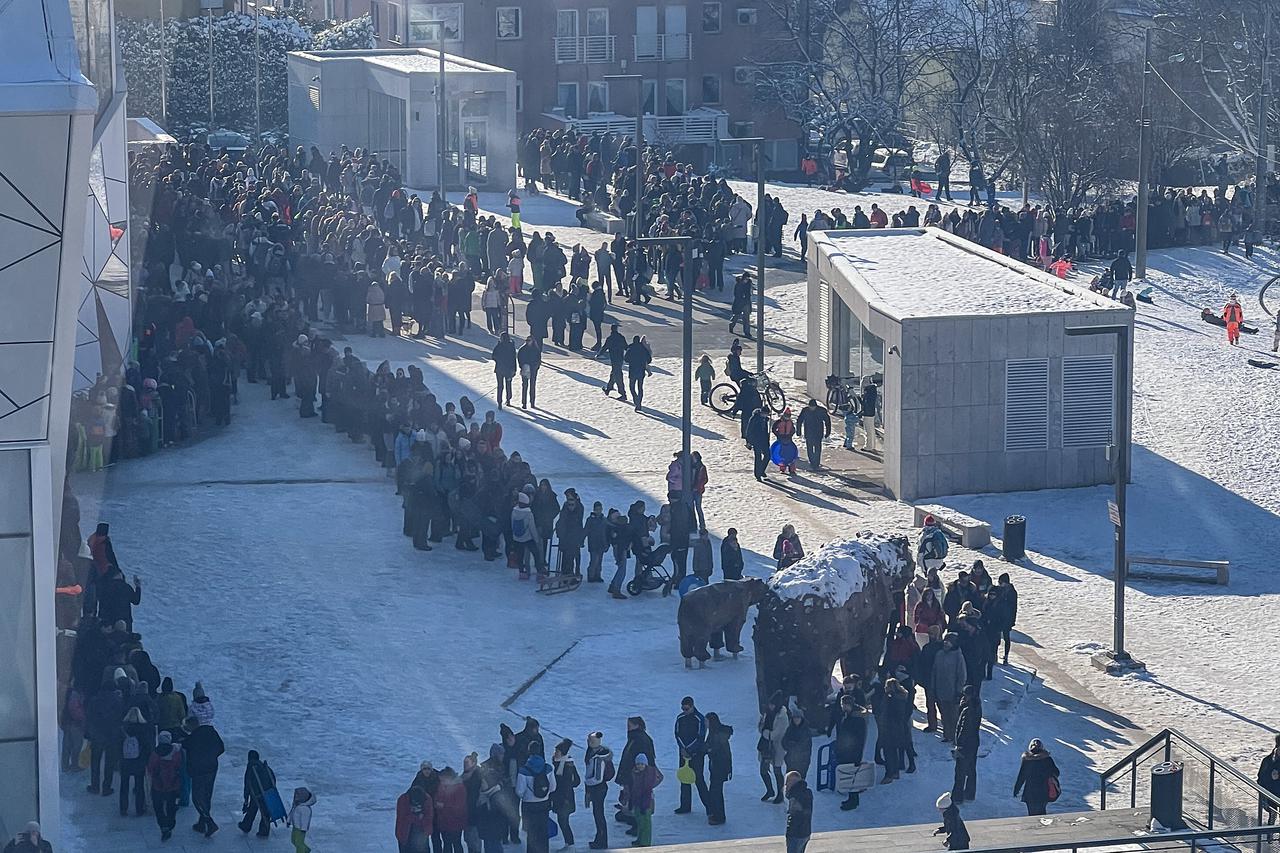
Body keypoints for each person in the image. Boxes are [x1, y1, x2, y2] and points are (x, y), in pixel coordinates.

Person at [185, 714, 226, 837]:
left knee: (197, 798)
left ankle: (209, 821)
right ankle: (202, 823)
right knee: (207, 794)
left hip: (199, 771)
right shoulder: (211, 731)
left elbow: (189, 755)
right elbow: (221, 748)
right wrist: (211, 757)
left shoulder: (192, 739)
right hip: (212, 768)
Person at [829, 694, 867, 810]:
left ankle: (853, 801)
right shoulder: (849, 716)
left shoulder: (856, 719)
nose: (843, 707)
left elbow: (856, 737)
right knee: (850, 776)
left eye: (844, 705)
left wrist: (848, 750)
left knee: (852, 776)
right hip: (847, 750)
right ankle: (851, 799)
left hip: (852, 752)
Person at [515, 747, 557, 853]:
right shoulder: (548, 768)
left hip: (529, 806)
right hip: (544, 804)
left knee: (532, 833)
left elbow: (519, 791)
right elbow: (553, 787)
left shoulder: (523, 770)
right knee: (543, 832)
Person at [673, 696, 709, 816]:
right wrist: (683, 748)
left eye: (686, 708)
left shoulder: (699, 719)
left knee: (699, 779)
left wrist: (689, 749)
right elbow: (677, 734)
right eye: (683, 708)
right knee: (684, 779)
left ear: (692, 706)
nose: (684, 711)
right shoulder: (680, 718)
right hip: (683, 754)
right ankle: (685, 805)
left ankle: (709, 805)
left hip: (696, 754)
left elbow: (700, 737)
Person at [147, 730, 184, 841]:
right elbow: (180, 766)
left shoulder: (155, 753)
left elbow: (150, 768)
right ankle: (171, 823)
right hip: (173, 785)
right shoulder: (176, 752)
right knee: (171, 806)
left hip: (158, 786)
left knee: (158, 808)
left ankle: (163, 826)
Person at [119, 705, 156, 816]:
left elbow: (117, 745)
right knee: (139, 785)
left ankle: (123, 808)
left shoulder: (123, 729)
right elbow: (147, 746)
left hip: (125, 761)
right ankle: (139, 808)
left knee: (124, 785)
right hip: (139, 761)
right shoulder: (143, 729)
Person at [933, 633, 968, 743]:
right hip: (941, 690)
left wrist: (958, 691)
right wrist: (933, 687)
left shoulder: (958, 656)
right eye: (945, 641)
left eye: (949, 641)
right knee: (944, 714)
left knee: (954, 716)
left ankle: (955, 737)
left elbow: (962, 675)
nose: (946, 643)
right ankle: (947, 734)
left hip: (953, 692)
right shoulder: (939, 654)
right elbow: (934, 671)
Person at [583, 732, 614, 849]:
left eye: (589, 740)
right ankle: (599, 838)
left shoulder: (598, 758)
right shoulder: (593, 752)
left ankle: (602, 841)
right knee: (598, 814)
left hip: (598, 789)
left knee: (599, 815)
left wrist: (587, 781)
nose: (587, 742)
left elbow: (597, 778)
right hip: (597, 788)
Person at [1013, 739, 1060, 816]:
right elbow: (1056, 772)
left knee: (1032, 814)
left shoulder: (1027, 760)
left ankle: (1033, 827)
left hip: (1030, 792)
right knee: (1042, 813)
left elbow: (1021, 776)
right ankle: (1042, 827)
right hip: (1043, 790)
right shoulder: (1047, 759)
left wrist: (1016, 789)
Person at [952, 685, 982, 803]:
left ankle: (957, 796)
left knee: (960, 771)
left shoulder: (968, 710)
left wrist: (959, 744)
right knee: (971, 769)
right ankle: (970, 793)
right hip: (974, 742)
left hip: (965, 744)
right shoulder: (977, 706)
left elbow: (963, 728)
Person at [239, 749, 278, 837]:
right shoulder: (265, 767)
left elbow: (247, 784)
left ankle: (246, 826)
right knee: (265, 811)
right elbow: (273, 779)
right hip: (268, 792)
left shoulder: (251, 767)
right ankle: (264, 831)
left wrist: (246, 800)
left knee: (253, 808)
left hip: (257, 793)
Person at [550, 739, 580, 850]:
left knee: (563, 821)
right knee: (563, 821)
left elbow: (571, 783)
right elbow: (576, 781)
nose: (555, 753)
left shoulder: (566, 766)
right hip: (563, 798)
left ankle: (570, 844)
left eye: (557, 751)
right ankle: (569, 843)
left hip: (564, 799)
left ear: (562, 752)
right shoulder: (564, 763)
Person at [758, 692, 787, 803]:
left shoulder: (782, 716)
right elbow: (761, 727)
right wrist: (762, 728)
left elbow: (777, 734)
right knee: (763, 770)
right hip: (766, 746)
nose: (770, 706)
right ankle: (770, 790)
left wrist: (765, 732)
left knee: (777, 771)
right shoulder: (767, 713)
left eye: (772, 704)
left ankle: (780, 794)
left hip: (777, 747)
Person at [627, 754, 662, 847]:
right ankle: (640, 839)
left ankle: (645, 842)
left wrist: (645, 805)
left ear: (645, 764)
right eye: (638, 764)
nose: (640, 766)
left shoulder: (648, 775)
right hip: (638, 801)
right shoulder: (635, 773)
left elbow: (647, 791)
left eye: (642, 764)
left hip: (646, 803)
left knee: (646, 823)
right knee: (640, 822)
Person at [704, 712, 732, 826]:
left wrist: (708, 750)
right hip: (719, 767)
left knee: (715, 792)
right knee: (716, 791)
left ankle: (719, 816)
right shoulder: (716, 733)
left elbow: (714, 749)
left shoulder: (717, 735)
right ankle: (717, 814)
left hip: (719, 767)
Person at [396, 786, 434, 853]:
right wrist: (418, 817)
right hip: (405, 833)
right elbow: (402, 818)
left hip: (421, 834)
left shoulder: (427, 799)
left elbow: (429, 817)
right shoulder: (403, 800)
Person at [795, 399, 830, 470]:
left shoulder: (821, 411)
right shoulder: (805, 411)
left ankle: (816, 463)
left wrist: (828, 432)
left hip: (818, 433)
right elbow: (799, 421)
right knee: (809, 449)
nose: (812, 408)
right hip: (808, 433)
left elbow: (827, 421)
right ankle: (812, 462)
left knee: (817, 449)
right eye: (811, 407)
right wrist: (798, 431)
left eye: (813, 407)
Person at [783, 770, 813, 853]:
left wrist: (789, 833)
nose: (786, 785)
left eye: (787, 782)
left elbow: (795, 815)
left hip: (795, 834)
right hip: (806, 832)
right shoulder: (808, 792)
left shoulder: (794, 796)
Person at [598, 324, 628, 401]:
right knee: (614, 373)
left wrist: (599, 354)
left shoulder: (610, 338)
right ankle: (608, 388)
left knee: (618, 375)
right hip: (620, 358)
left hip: (614, 358)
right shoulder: (621, 337)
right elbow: (626, 347)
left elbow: (605, 347)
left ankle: (623, 394)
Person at [624, 336, 652, 412]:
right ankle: (639, 403)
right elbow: (649, 360)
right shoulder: (643, 349)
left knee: (631, 387)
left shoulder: (631, 348)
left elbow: (626, 359)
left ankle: (636, 401)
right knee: (640, 388)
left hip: (633, 370)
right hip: (641, 371)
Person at [1256, 734, 1280, 822]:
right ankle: (1269, 834)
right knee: (1272, 814)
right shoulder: (1268, 760)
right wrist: (1271, 776)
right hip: (1270, 793)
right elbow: (1260, 778)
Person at [493, 333, 517, 409]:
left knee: (500, 386)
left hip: (499, 369)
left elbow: (493, 356)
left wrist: (498, 361)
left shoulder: (499, 346)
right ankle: (508, 399)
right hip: (509, 369)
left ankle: (499, 402)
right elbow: (513, 359)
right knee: (508, 385)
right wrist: (514, 369)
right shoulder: (511, 346)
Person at [746, 409, 771, 482]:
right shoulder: (754, 419)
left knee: (768, 456)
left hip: (764, 441)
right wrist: (749, 441)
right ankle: (757, 474)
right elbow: (749, 430)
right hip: (756, 441)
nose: (766, 415)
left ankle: (761, 470)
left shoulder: (765, 419)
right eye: (765, 414)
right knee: (758, 457)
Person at [518, 335, 542, 409]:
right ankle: (524, 403)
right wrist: (523, 366)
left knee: (532, 386)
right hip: (525, 369)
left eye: (529, 340)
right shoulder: (522, 349)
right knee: (524, 386)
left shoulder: (536, 349)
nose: (527, 342)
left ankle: (532, 402)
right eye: (527, 340)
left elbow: (538, 360)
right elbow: (519, 359)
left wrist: (536, 367)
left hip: (533, 369)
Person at [288, 788, 315, 853]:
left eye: (297, 796)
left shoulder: (305, 809)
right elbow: (291, 813)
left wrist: (304, 828)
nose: (295, 797)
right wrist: (289, 821)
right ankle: (306, 850)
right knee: (293, 840)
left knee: (299, 842)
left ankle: (301, 851)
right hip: (295, 826)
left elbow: (305, 819)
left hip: (300, 829)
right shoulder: (297, 805)